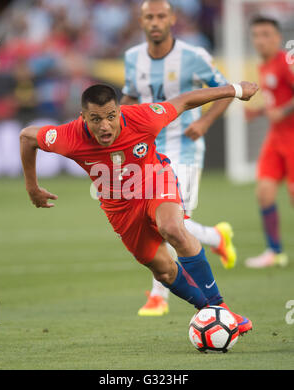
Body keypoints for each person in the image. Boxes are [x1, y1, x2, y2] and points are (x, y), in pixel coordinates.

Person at [20, 82, 258, 336]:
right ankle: (209, 310)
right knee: (164, 272)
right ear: (83, 118)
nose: (105, 125)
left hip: (156, 182)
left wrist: (235, 90)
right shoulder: (69, 136)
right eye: (95, 119)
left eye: (111, 116)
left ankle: (221, 309)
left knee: (173, 229)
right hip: (120, 208)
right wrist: (32, 187)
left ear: (120, 111)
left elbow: (185, 100)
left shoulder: (143, 118)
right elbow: (27, 136)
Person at [121, 0, 235, 316]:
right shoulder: (132, 58)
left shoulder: (193, 56)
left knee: (170, 224)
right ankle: (216, 236)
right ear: (141, 21)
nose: (155, 22)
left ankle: (159, 295)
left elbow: (225, 89)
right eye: (149, 17)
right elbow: (130, 97)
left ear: (172, 19)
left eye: (161, 16)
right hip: (146, 152)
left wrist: (205, 122)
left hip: (183, 149)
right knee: (164, 222)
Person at [245, 16, 294, 268]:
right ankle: (274, 251)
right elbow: (278, 101)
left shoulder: (287, 61)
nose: (260, 40)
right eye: (256, 35)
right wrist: (260, 112)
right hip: (276, 137)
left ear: (277, 37)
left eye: (266, 34)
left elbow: (287, 103)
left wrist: (284, 111)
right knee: (264, 192)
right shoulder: (263, 65)